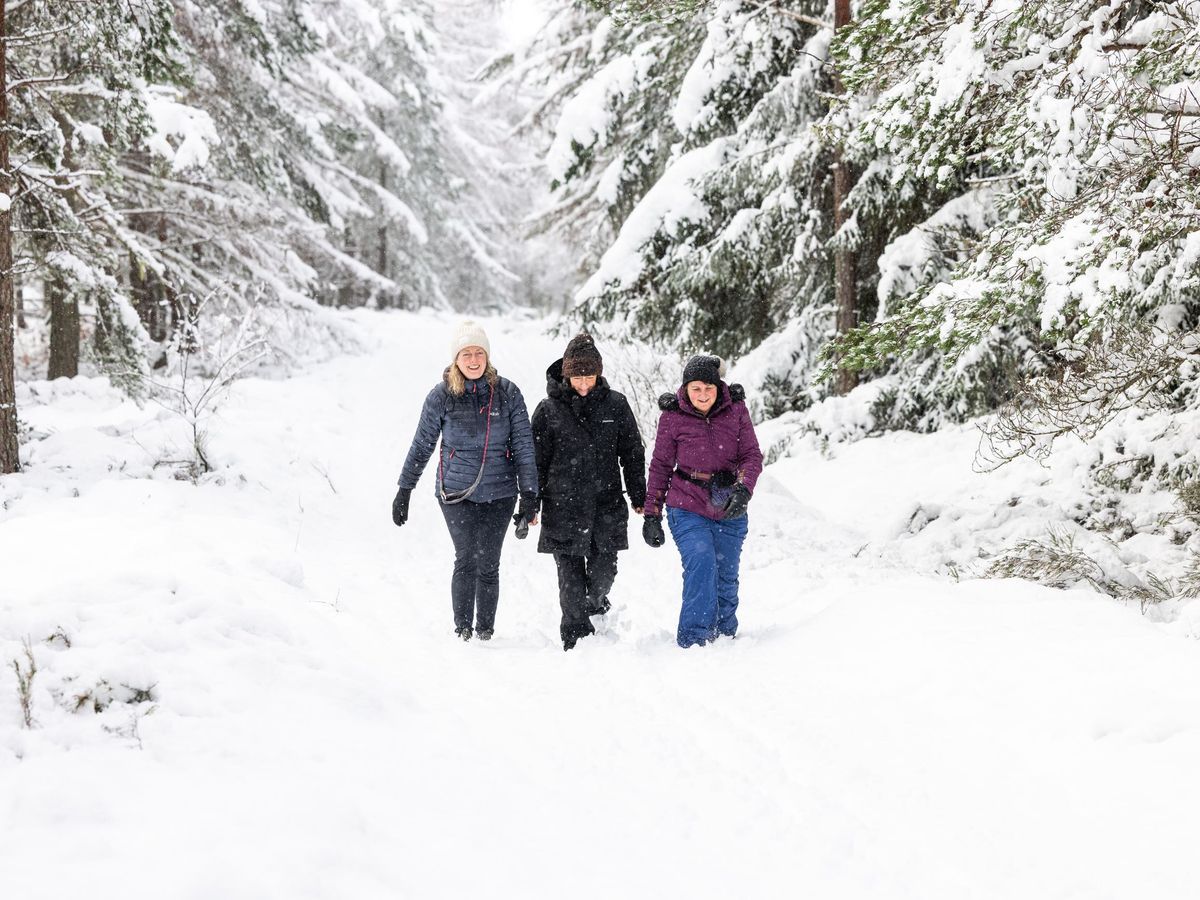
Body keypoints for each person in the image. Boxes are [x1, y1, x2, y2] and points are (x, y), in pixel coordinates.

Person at [393, 321, 539, 641]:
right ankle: (463, 631)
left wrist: (529, 494)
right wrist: (405, 489)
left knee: (489, 562)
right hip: (456, 491)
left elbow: (525, 446)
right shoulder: (442, 396)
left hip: (501, 492)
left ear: (487, 356)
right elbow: (422, 444)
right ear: (455, 359)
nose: (473, 360)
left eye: (479, 353)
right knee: (467, 557)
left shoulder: (508, 394)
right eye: (466, 354)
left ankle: (485, 632)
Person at [531, 334, 646, 651]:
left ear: (598, 374)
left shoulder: (616, 404)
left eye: (589, 376)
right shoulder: (548, 410)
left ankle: (596, 604)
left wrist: (639, 494)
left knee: (602, 573)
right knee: (570, 581)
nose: (583, 384)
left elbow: (632, 452)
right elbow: (535, 463)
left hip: (606, 505)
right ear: (567, 375)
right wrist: (530, 505)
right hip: (562, 507)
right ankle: (575, 640)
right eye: (577, 376)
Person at [642, 354, 763, 648]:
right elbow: (660, 466)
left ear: (718, 386)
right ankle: (695, 638)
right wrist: (652, 514)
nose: (703, 395)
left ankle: (724, 635)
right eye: (696, 388)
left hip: (728, 501)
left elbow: (751, 455)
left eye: (708, 387)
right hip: (687, 503)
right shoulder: (672, 417)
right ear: (686, 389)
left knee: (725, 573)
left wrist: (743, 489)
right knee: (701, 560)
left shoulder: (735, 410)